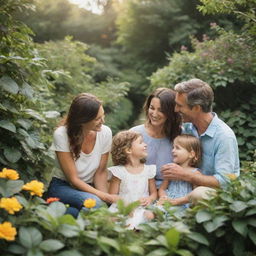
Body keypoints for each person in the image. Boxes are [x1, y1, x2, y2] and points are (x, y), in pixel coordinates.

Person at [162, 78, 240, 202]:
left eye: (180, 105)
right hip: (185, 192)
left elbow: (225, 181)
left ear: (197, 108)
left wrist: (185, 174)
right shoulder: (187, 129)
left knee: (198, 194)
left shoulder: (224, 137)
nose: (176, 109)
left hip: (214, 196)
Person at [47, 93, 118, 217]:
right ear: (82, 120)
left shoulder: (105, 132)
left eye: (103, 116)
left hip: (90, 188)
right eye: (97, 119)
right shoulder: (61, 134)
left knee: (77, 212)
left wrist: (107, 201)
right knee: (96, 204)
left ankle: (68, 214)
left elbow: (100, 173)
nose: (103, 121)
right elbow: (73, 180)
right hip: (63, 186)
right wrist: (105, 197)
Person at [131, 88, 182, 188]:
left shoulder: (181, 134)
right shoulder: (134, 134)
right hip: (141, 189)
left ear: (171, 112)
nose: (154, 114)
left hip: (172, 189)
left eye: (161, 110)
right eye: (152, 108)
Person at [108, 130, 157, 229]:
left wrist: (149, 199)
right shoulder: (119, 172)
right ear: (128, 150)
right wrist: (125, 205)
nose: (145, 145)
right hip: (124, 208)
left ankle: (137, 230)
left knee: (150, 215)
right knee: (112, 219)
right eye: (140, 142)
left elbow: (154, 193)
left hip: (142, 208)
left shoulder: (148, 170)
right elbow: (112, 195)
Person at [158, 134, 201, 208]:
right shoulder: (171, 169)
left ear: (191, 154)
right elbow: (162, 189)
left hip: (183, 205)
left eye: (177, 148)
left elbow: (195, 194)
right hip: (167, 202)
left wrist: (178, 201)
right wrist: (163, 197)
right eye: (173, 147)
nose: (173, 150)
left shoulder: (195, 173)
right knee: (151, 213)